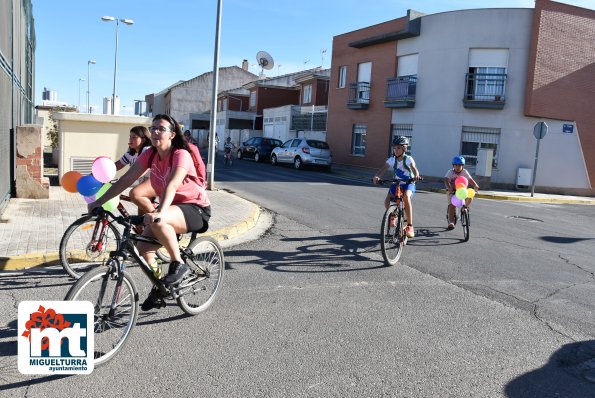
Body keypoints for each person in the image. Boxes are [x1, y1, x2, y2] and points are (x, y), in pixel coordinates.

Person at [88, 114, 210, 311]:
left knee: (158, 221)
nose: (155, 132)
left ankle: (178, 263)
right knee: (143, 250)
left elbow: (172, 185)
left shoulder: (181, 154)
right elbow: (126, 179)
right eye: (153, 128)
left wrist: (159, 212)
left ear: (171, 134)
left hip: (194, 208)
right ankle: (161, 288)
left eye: (160, 128)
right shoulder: (149, 154)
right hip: (170, 209)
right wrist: (99, 202)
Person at [372, 136, 420, 239]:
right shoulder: (392, 159)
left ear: (404, 149)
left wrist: (416, 176)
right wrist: (377, 176)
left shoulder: (408, 159)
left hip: (408, 183)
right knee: (387, 200)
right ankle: (392, 215)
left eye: (398, 148)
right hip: (397, 183)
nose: (396, 150)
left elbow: (414, 169)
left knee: (406, 197)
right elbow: (383, 169)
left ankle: (410, 226)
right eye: (394, 148)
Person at [444, 155, 479, 230]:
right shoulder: (450, 172)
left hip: (462, 191)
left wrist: (475, 185)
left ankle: (464, 207)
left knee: (470, 196)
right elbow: (446, 180)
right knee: (452, 205)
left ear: (462, 166)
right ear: (453, 166)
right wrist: (449, 187)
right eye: (456, 165)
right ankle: (451, 222)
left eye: (459, 166)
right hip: (452, 190)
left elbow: (470, 180)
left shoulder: (464, 172)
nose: (457, 167)